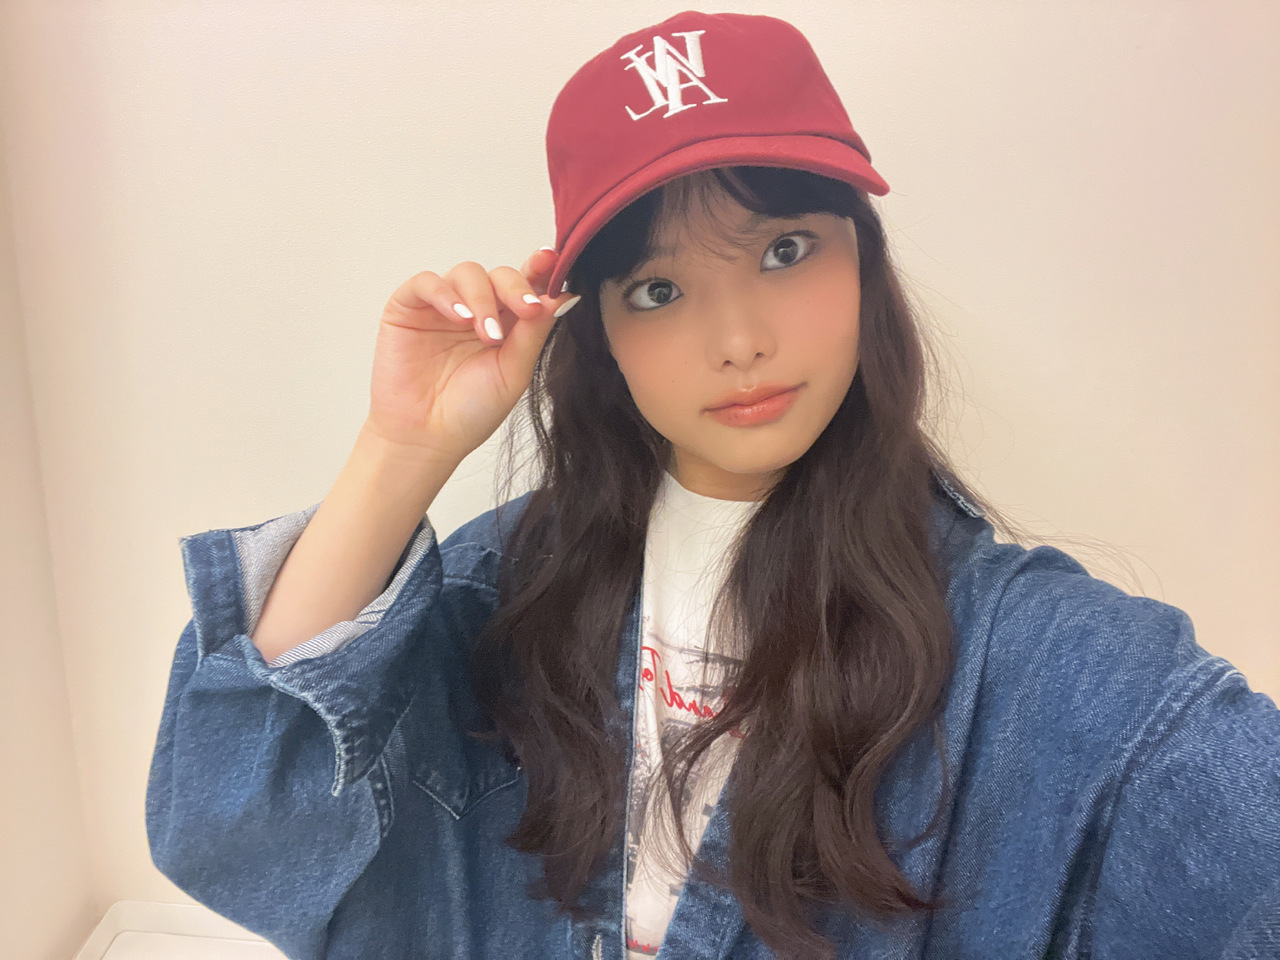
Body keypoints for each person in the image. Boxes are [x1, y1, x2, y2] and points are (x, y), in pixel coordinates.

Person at [146, 10, 1280, 960]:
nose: (738, 341)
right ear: (598, 332)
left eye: (783, 250)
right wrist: (403, 446)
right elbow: (234, 830)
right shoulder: (504, 596)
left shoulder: (1032, 659)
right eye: (657, 289)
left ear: (861, 262)